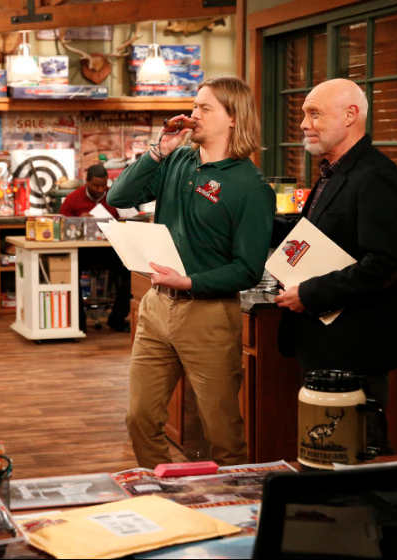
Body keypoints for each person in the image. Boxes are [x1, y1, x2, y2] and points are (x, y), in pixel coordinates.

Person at [107, 76, 275, 468]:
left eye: (204, 108)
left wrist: (189, 282)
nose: (193, 114)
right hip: (156, 308)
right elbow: (119, 197)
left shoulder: (251, 187)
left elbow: (248, 269)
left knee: (223, 434)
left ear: (233, 118)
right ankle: (163, 490)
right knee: (140, 418)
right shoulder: (177, 160)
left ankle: (234, 499)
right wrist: (158, 151)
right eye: (194, 105)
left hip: (209, 315)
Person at [272, 78, 397, 451]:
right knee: (323, 456)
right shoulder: (332, 172)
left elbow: (386, 263)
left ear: (351, 115)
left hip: (354, 349)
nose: (304, 124)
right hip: (321, 346)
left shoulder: (376, 176)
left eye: (314, 114)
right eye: (304, 114)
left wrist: (310, 294)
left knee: (357, 460)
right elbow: (309, 235)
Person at [60, 164, 131, 333]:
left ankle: (117, 319)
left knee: (132, 273)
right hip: (82, 253)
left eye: (103, 185)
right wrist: (79, 221)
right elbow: (62, 227)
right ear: (87, 182)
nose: (100, 190)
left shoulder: (115, 196)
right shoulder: (72, 199)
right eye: (95, 185)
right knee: (69, 274)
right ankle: (79, 322)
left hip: (110, 252)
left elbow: (130, 220)